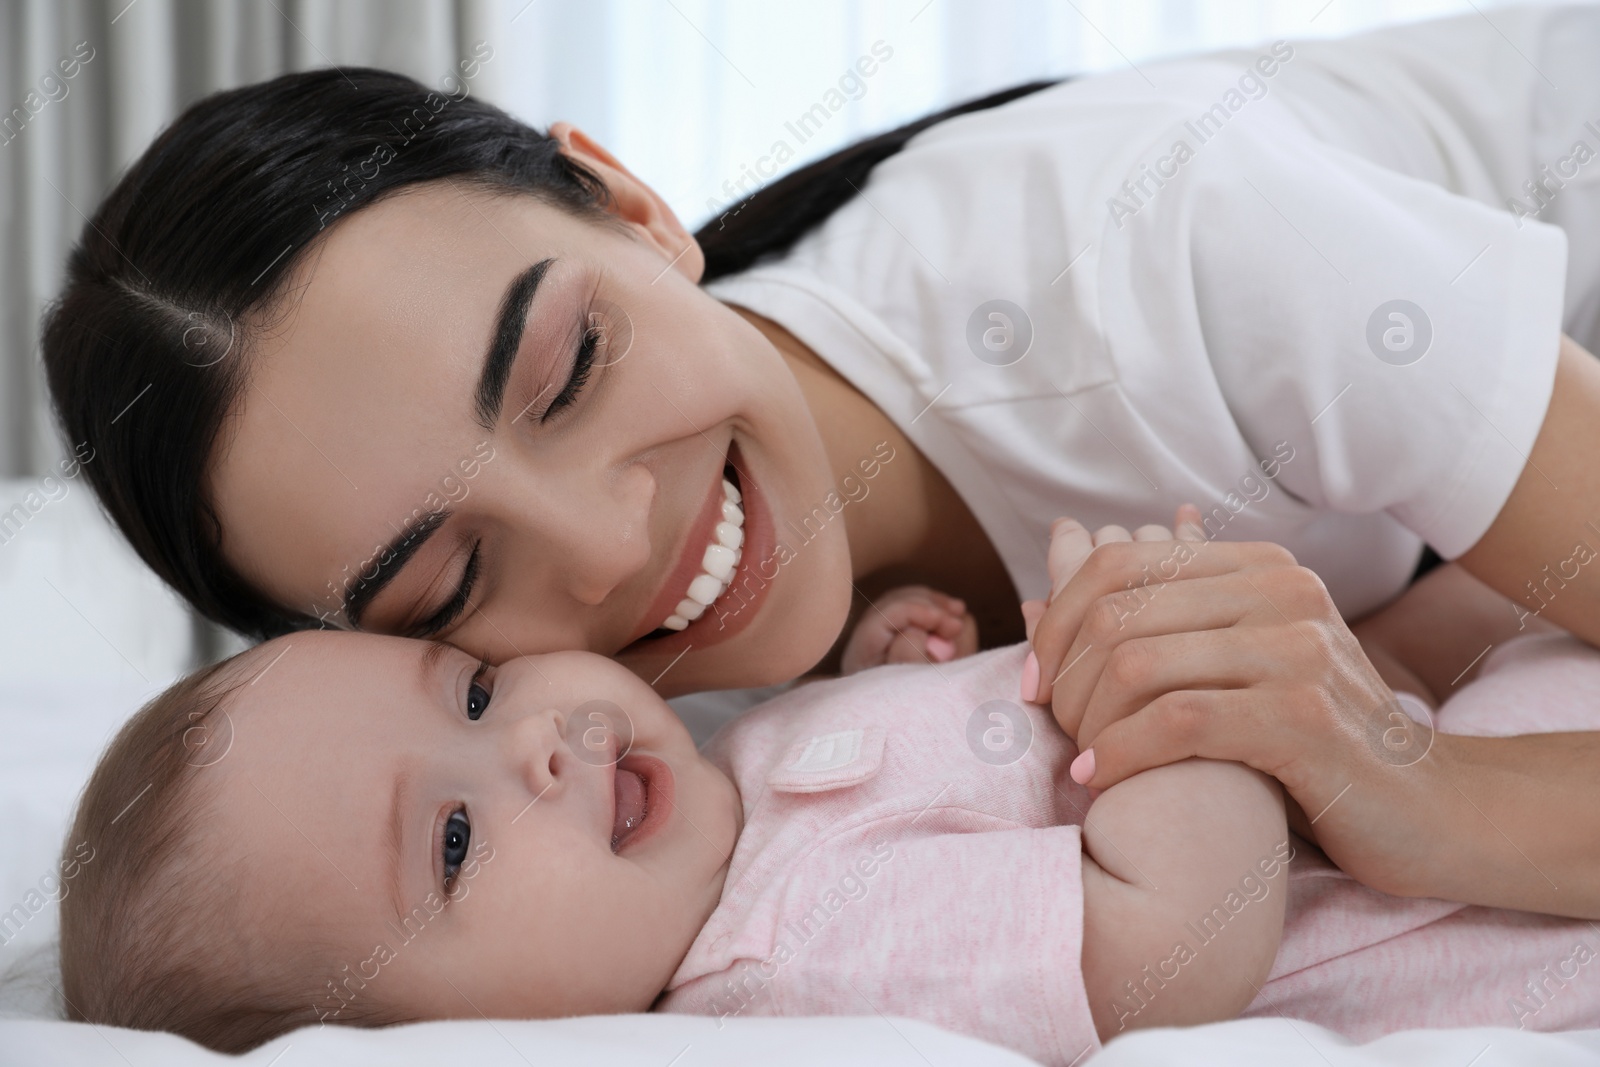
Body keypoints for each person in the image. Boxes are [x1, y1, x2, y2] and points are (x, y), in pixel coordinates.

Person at [39, 8, 1600, 916]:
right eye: (450, 578)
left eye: (568, 368)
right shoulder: (604, 764)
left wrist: (1423, 788)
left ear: (637, 208)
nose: (606, 549)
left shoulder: (1170, 248)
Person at [56, 514, 1600, 1059]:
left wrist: (897, 654)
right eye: (452, 839)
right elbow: (1173, 951)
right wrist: (1164, 711)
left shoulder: (725, 779)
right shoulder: (784, 969)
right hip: (1504, 914)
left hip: (1454, 734)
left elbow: (938, 761)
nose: (533, 742)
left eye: (471, 689)